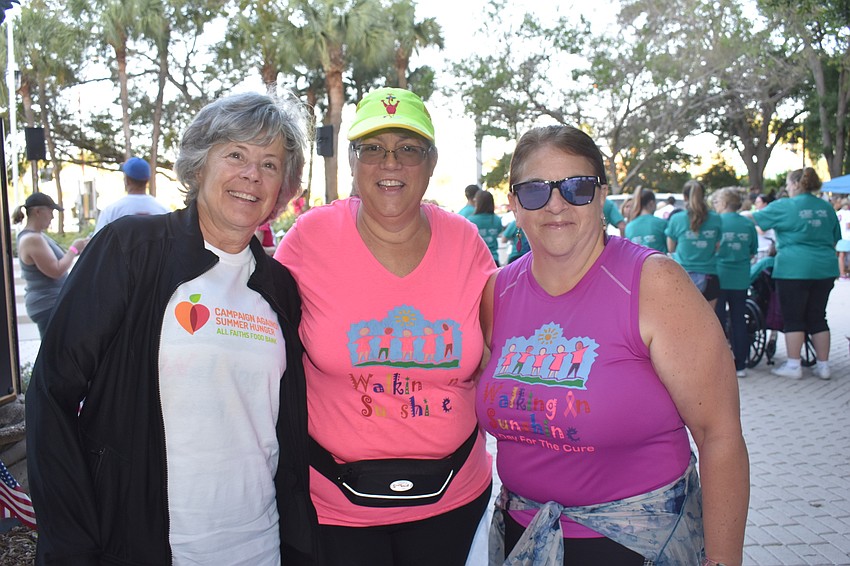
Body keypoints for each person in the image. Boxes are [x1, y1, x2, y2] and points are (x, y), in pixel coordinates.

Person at [26, 92, 320, 565]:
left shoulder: (279, 285)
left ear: (282, 186)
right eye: (236, 155)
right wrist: (71, 538)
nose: (252, 175)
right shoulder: (133, 250)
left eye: (270, 164)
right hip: (147, 543)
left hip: (260, 544)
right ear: (199, 164)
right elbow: (52, 393)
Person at [477, 125, 749, 566]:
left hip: (639, 546)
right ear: (513, 204)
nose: (556, 204)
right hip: (522, 539)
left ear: (602, 196)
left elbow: (719, 435)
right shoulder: (497, 292)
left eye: (577, 187)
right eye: (534, 191)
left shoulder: (654, 283)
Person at [274, 87, 494, 566]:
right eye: (372, 148)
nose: (389, 163)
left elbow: (498, 345)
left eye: (407, 149)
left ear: (431, 163)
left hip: (454, 502)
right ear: (353, 162)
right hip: (335, 510)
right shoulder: (310, 238)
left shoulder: (465, 241)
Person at [752, 167, 840, 380]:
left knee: (793, 317)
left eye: (788, 184)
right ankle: (823, 365)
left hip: (793, 268)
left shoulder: (785, 205)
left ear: (794, 184)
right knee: (819, 316)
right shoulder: (825, 207)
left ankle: (794, 365)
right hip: (825, 268)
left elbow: (756, 219)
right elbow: (836, 237)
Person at [12, 192, 89, 337]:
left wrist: (78, 248)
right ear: (38, 212)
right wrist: (73, 248)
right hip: (48, 304)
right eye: (51, 211)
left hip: (51, 303)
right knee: (54, 353)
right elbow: (56, 270)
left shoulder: (36, 235)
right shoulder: (33, 239)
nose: (53, 217)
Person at [712, 187, 758, 377]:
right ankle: (741, 364)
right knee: (739, 319)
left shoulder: (717, 222)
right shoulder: (747, 224)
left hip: (719, 275)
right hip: (741, 277)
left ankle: (721, 364)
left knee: (718, 320)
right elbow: (752, 250)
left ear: (723, 203)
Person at [666, 179, 722, 308]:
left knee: (682, 321)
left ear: (685, 197)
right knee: (709, 323)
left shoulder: (676, 219)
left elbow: (670, 248)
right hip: (710, 276)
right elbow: (717, 246)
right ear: (703, 196)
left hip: (683, 276)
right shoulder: (716, 218)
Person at [93, 156, 169, 233]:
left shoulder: (111, 211)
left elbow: (98, 243)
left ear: (127, 180)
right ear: (147, 180)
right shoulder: (164, 211)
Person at [624, 188, 668, 252]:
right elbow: (670, 247)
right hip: (660, 261)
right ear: (651, 203)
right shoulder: (662, 223)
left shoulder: (629, 227)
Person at [467, 189, 503, 266]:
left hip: (477, 261)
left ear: (478, 203)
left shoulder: (471, 220)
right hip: (494, 260)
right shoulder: (497, 219)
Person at [833, 195, 850, 279]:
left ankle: (841, 273)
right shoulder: (848, 213)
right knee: (846, 256)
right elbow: (848, 225)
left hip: (840, 236)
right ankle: (847, 272)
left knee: (841, 256)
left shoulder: (837, 213)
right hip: (847, 236)